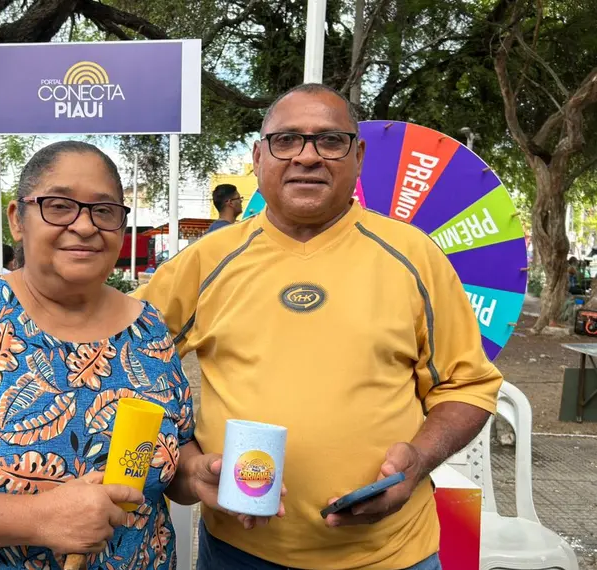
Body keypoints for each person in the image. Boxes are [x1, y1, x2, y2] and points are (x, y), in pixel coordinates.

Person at [133, 83, 503, 570]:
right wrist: (184, 462)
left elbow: (468, 386)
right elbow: (124, 362)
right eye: (286, 140)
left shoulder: (414, 257)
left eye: (330, 141)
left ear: (359, 155)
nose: (307, 157)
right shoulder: (207, 261)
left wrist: (418, 461)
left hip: (393, 554)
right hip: (239, 554)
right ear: (258, 156)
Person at [0, 141, 230, 570]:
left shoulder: (148, 330)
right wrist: (37, 519)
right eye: (59, 205)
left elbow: (171, 456)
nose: (86, 226)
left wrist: (196, 475)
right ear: (18, 219)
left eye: (104, 210)